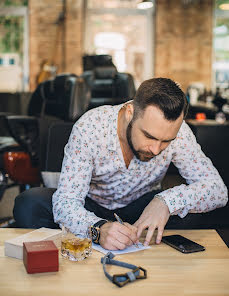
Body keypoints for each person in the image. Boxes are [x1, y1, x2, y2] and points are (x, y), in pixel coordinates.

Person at [13, 78, 228, 251]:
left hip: (142, 209)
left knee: (198, 209)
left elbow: (218, 190)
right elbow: (66, 201)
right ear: (129, 113)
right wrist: (97, 229)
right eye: (149, 136)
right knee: (29, 203)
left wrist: (166, 202)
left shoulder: (180, 134)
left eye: (166, 141)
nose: (156, 149)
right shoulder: (90, 127)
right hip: (93, 206)